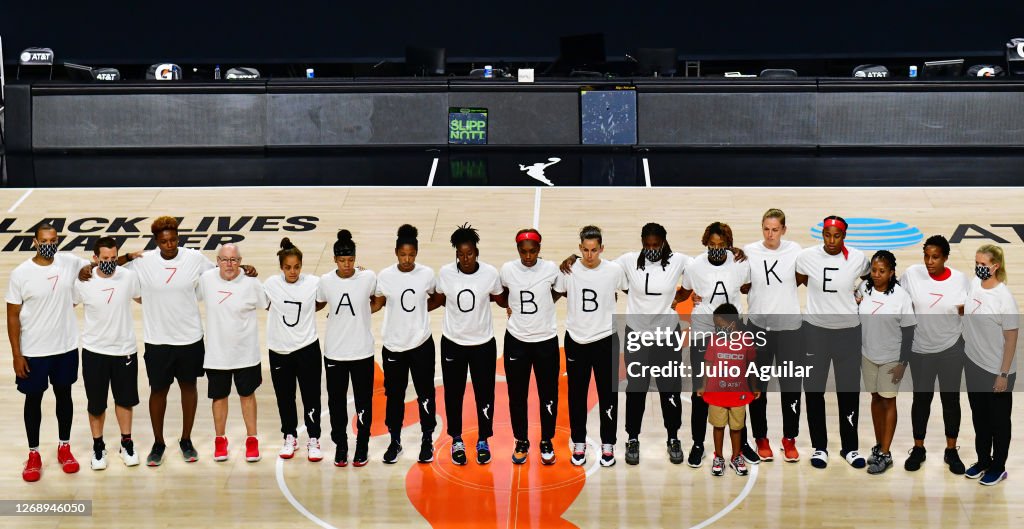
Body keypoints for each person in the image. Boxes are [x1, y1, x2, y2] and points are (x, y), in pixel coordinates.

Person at [124, 216, 256, 466]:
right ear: (156, 241)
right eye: (164, 241)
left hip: (190, 338)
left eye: (173, 239)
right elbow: (112, 269)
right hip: (158, 340)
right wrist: (128, 256)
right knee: (158, 391)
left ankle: (186, 439)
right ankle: (158, 443)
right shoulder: (143, 262)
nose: (170, 244)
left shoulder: (194, 258)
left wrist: (245, 268)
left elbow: (223, 271)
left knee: (189, 387)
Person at [564, 222, 692, 465]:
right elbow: (597, 263)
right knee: (636, 390)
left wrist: (683, 296)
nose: (652, 249)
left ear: (664, 243)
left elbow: (704, 268)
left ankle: (673, 437)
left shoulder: (679, 260)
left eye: (656, 245)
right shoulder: (627, 261)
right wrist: (573, 257)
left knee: (670, 389)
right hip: (638, 337)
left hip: (668, 337)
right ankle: (632, 438)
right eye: (648, 245)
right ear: (642, 243)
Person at [6, 224, 90, 481]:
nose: (49, 244)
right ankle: (33, 454)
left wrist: (126, 258)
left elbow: (98, 264)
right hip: (34, 351)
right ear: (34, 242)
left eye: (53, 240)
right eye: (44, 240)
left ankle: (64, 447)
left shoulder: (69, 262)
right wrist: (17, 355)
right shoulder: (21, 274)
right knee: (33, 400)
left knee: (64, 396)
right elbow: (12, 317)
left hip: (65, 347)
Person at [796, 215, 870, 469]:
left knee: (848, 391)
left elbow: (872, 276)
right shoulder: (807, 256)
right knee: (814, 390)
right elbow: (799, 277)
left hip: (848, 332)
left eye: (836, 236)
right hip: (815, 331)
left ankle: (850, 447)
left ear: (844, 236)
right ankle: (819, 447)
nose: (831, 240)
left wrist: (860, 292)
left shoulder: (858, 259)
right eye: (827, 235)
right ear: (822, 234)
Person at [678, 222, 751, 467]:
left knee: (738, 388)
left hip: (732, 333)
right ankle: (698, 444)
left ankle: (743, 445)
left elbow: (748, 286)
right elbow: (685, 292)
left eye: (722, 245)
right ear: (705, 243)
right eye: (712, 245)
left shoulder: (740, 262)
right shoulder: (694, 266)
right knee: (701, 391)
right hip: (703, 333)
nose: (717, 249)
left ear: (729, 245)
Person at [554, 226, 626, 467]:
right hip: (576, 340)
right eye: (585, 250)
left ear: (602, 249)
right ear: (579, 249)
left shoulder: (614, 270)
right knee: (576, 395)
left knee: (608, 395)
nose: (589, 255)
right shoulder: (569, 269)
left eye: (594, 250)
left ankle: (608, 444)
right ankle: (579, 443)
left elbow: (634, 290)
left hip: (605, 339)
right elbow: (553, 295)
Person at [436, 223, 504, 465]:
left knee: (484, 394)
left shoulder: (490, 273)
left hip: (483, 344)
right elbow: (440, 298)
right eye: (461, 254)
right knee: (454, 394)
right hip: (453, 342)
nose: (465, 258)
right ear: (456, 254)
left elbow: (500, 298)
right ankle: (457, 439)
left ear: (477, 252)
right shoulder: (445, 273)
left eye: (470, 253)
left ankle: (483, 439)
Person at [900, 235, 969, 474]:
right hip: (920, 350)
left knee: (950, 401)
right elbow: (897, 300)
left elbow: (968, 312)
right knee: (921, 400)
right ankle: (918, 448)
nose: (930, 261)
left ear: (946, 258)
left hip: (951, 349)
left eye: (935, 257)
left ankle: (951, 450)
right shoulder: (911, 274)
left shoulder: (960, 280)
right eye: (927, 256)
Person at [74, 237, 143, 470]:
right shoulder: (83, 281)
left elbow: (145, 299)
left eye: (114, 259)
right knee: (96, 404)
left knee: (125, 400)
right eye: (104, 259)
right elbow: (65, 303)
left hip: (124, 349)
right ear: (95, 258)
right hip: (94, 351)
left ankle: (126, 443)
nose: (109, 263)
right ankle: (98, 446)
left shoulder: (129, 277)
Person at [740, 208, 803, 463]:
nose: (770, 234)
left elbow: (803, 277)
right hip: (758, 329)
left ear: (784, 230)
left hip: (790, 330)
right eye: (766, 229)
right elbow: (740, 282)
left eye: (775, 229)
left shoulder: (796, 250)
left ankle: (790, 438)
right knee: (757, 388)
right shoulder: (749, 251)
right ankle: (761, 438)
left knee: (791, 388)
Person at [374, 224, 440, 465]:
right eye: (403, 255)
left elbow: (436, 298)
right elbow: (377, 303)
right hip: (393, 346)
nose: (407, 259)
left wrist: (422, 312)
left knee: (425, 393)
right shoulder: (385, 276)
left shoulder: (426, 274)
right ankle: (395, 440)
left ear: (417, 252)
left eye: (411, 254)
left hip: (421, 344)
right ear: (396, 252)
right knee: (395, 396)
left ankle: (426, 440)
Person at [197, 244, 267, 463]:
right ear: (217, 261)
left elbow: (267, 304)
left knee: (247, 396)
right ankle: (220, 440)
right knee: (219, 397)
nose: (229, 264)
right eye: (225, 260)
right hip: (217, 354)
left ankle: (252, 439)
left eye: (234, 260)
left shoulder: (251, 282)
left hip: (246, 353)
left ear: (240, 261)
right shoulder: (206, 279)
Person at [317, 230, 380, 467]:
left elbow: (378, 300)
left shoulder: (368, 277)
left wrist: (366, 312)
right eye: (342, 261)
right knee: (336, 402)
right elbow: (320, 301)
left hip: (362, 351)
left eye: (351, 260)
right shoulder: (325, 281)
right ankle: (341, 445)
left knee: (364, 401)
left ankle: (362, 445)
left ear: (355, 258)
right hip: (335, 352)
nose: (347, 264)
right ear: (335, 259)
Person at [500, 228, 562, 465]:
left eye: (533, 251)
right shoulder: (507, 270)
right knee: (517, 395)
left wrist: (545, 305)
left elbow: (557, 291)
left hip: (545, 339)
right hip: (516, 340)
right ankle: (521, 440)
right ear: (518, 250)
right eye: (524, 251)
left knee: (549, 394)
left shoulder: (551, 269)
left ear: (539, 249)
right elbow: (503, 294)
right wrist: (510, 306)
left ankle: (546, 439)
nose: (528, 256)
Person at [264, 238, 325, 462]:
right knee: (285, 397)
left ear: (301, 265)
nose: (293, 271)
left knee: (311, 396)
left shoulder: (314, 283)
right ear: (281, 267)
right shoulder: (270, 284)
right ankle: (289, 435)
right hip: (279, 350)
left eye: (297, 267)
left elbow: (323, 299)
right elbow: (263, 302)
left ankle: (314, 438)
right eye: (288, 267)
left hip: (307, 348)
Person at [963, 244, 1018, 486]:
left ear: (995, 266)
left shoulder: (1004, 298)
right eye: (977, 263)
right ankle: (983, 460)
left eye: (983, 264)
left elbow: (1011, 339)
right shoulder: (975, 284)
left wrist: (1003, 374)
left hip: (997, 370)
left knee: (998, 421)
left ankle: (999, 466)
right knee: (979, 418)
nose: (979, 268)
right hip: (974, 364)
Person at [857, 250, 916, 475]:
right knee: (875, 399)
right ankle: (879, 444)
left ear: (892, 273)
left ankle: (886, 453)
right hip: (868, 355)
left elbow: (909, 332)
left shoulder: (901, 297)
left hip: (892, 358)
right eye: (873, 270)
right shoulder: (863, 289)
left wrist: (903, 363)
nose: (877, 275)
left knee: (888, 401)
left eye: (882, 271)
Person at [698, 304, 759, 477]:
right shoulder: (715, 340)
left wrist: (754, 387)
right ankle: (718, 457)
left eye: (719, 324)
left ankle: (736, 457)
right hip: (717, 392)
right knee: (718, 426)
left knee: (737, 427)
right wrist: (703, 385)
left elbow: (751, 365)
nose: (717, 328)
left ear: (732, 324)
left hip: (738, 392)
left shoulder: (746, 340)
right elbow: (708, 364)